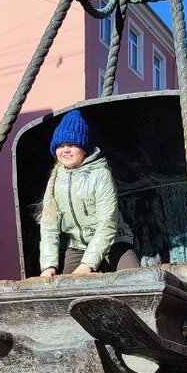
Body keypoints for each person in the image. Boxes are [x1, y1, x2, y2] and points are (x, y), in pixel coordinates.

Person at [39, 109, 139, 277]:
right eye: (60, 146)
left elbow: (107, 222)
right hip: (78, 246)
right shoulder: (55, 180)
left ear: (84, 149)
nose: (65, 150)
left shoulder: (100, 174)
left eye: (71, 145)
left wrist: (87, 265)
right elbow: (49, 226)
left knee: (135, 281)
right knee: (64, 291)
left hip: (113, 241)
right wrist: (48, 266)